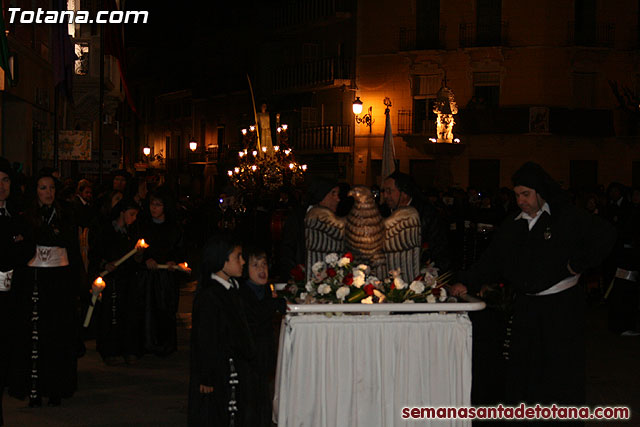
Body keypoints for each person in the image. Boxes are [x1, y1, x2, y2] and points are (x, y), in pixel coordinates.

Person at [450, 162, 616, 407]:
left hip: (561, 308)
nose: (520, 201)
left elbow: (605, 235)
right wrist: (466, 282)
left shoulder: (565, 217)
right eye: (517, 195)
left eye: (526, 194)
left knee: (558, 369)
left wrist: (577, 265)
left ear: (540, 192)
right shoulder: (513, 225)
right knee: (524, 369)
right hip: (527, 307)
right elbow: (492, 260)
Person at [9, 171, 81, 407]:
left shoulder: (65, 214)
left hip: (59, 283)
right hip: (34, 282)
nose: (48, 192)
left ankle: (56, 386)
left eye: (51, 188)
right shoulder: (26, 216)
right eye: (43, 188)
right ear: (35, 191)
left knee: (57, 334)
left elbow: (72, 250)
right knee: (34, 336)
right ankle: (34, 389)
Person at [188, 234, 255, 426]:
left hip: (231, 367)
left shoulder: (231, 288)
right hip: (217, 372)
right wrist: (206, 376)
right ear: (221, 261)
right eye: (238, 257)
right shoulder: (210, 296)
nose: (243, 261)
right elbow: (204, 338)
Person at [89, 198, 144, 365]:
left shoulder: (132, 233)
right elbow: (95, 254)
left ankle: (128, 349)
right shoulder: (106, 231)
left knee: (129, 314)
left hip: (127, 279)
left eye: (135, 215)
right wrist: (105, 264)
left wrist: (139, 254)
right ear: (122, 212)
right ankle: (110, 350)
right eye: (131, 214)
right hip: (111, 280)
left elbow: (136, 260)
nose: (133, 218)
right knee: (111, 315)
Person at [238, 245, 286, 427]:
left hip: (263, 354)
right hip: (249, 355)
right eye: (255, 265)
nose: (262, 269)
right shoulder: (243, 292)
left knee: (263, 397)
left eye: (264, 264)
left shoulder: (265, 290)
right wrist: (274, 304)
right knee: (250, 399)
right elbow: (255, 314)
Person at [0, 158, 30, 425]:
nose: (1, 186)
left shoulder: (15, 214)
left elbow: (24, 250)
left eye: (5, 180)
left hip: (11, 294)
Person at [138, 190, 185, 356]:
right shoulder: (143, 226)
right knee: (149, 310)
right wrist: (146, 259)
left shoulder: (174, 228)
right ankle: (149, 344)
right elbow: (138, 250)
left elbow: (180, 249)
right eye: (152, 204)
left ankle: (166, 344)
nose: (154, 208)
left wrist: (174, 261)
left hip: (167, 276)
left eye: (158, 205)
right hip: (149, 276)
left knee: (166, 309)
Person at [381, 171, 451, 271]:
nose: (385, 196)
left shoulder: (426, 213)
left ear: (404, 193)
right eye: (384, 191)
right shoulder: (382, 212)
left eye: (389, 191)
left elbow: (439, 248)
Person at [278, 177, 340, 280]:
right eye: (333, 193)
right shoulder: (298, 219)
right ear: (321, 195)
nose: (337, 199)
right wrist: (297, 274)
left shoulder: (335, 221)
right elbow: (286, 252)